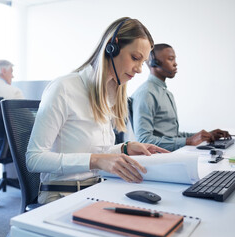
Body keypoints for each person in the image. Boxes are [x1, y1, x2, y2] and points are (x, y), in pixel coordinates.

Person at [26, 17, 169, 204]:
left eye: (142, 62)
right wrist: (96, 160)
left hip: (98, 189)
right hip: (62, 195)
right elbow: (34, 159)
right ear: (112, 48)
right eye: (135, 58)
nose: (140, 69)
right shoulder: (64, 88)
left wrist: (125, 148)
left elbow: (93, 150)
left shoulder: (110, 93)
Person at [131, 44, 230, 151]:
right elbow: (144, 140)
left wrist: (206, 135)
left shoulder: (167, 93)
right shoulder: (146, 94)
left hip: (171, 154)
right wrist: (188, 141)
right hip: (158, 160)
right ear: (154, 63)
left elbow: (173, 135)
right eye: (170, 59)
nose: (175, 63)